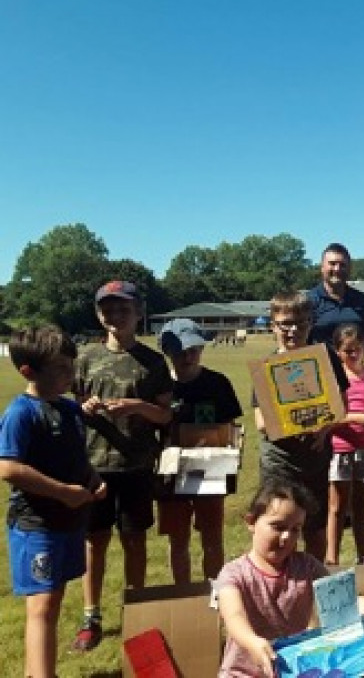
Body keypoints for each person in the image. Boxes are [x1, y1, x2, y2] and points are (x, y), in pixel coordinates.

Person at [72, 280, 174, 652]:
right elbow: (72, 406)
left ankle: (137, 611)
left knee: (135, 540)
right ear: (100, 314)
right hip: (95, 466)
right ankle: (91, 616)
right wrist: (82, 408)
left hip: (136, 467)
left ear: (138, 312)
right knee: (94, 542)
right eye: (108, 308)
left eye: (123, 308)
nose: (115, 315)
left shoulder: (152, 362)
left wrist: (135, 407)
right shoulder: (85, 358)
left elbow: (165, 416)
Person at [0, 325, 106, 678]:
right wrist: (63, 492)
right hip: (37, 526)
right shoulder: (21, 413)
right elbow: (9, 468)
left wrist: (92, 479)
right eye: (61, 368)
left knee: (55, 598)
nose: (70, 374)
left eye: (70, 365)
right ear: (28, 371)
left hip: (69, 522)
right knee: (41, 607)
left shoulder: (71, 410)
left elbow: (77, 458)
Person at [217, 477, 364, 677]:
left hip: (293, 669)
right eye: (277, 526)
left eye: (295, 530)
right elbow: (234, 617)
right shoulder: (234, 574)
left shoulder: (306, 567)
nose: (287, 537)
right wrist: (252, 641)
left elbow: (343, 602)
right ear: (251, 522)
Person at [254, 291, 348, 564]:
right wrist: (298, 425)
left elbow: (339, 405)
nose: (293, 330)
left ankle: (312, 588)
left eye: (301, 323)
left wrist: (324, 428)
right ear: (273, 325)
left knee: (315, 530)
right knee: (280, 530)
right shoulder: (267, 367)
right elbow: (262, 423)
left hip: (315, 462)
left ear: (311, 323)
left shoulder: (325, 358)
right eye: (285, 324)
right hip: (280, 464)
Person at [156, 318, 243, 584]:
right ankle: (182, 592)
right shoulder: (158, 387)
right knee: (178, 540)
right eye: (179, 350)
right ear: (166, 351)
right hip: (171, 471)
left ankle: (215, 593)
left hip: (211, 469)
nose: (187, 356)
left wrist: (234, 454)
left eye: (193, 349)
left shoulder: (218, 383)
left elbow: (231, 428)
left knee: (212, 539)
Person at [324, 322, 364, 567]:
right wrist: (357, 419)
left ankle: (363, 557)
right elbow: (330, 416)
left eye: (357, 348)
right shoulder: (334, 378)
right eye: (347, 350)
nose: (353, 354)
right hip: (342, 448)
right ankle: (332, 558)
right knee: (337, 507)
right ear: (337, 351)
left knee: (361, 506)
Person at [307, 242, 364, 353]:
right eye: (332, 263)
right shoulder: (308, 301)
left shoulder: (363, 301)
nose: (337, 269)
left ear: (349, 268)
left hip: (353, 368)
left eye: (342, 265)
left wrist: (353, 363)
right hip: (322, 369)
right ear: (322, 267)